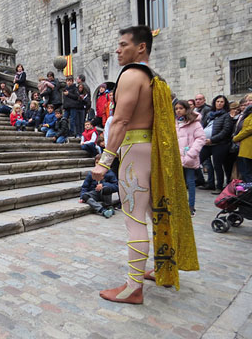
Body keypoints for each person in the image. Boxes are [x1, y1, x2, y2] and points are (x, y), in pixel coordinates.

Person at [91, 25, 199, 304]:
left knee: (134, 218)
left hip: (134, 151)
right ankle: (163, 267)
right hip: (153, 152)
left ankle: (132, 287)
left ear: (141, 47)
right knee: (155, 211)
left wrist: (105, 160)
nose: (117, 49)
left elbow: (122, 121)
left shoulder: (131, 75)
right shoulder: (156, 79)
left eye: (123, 44)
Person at [175, 100, 206, 216]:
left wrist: (191, 154)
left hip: (189, 157)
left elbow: (200, 138)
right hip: (178, 157)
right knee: (179, 182)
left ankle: (191, 206)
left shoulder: (194, 123)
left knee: (190, 182)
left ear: (186, 109)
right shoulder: (175, 123)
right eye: (176, 108)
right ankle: (180, 204)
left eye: (181, 108)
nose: (178, 111)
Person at [199, 95, 233, 194]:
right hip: (206, 143)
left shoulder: (226, 115)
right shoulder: (210, 114)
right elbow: (202, 126)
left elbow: (225, 131)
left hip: (219, 144)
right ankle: (209, 183)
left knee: (217, 165)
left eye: (222, 102)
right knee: (198, 160)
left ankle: (219, 186)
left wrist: (212, 139)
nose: (219, 103)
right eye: (217, 101)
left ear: (224, 104)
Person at [233, 94, 252, 182]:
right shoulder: (248, 113)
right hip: (244, 147)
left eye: (250, 100)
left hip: (249, 147)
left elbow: (249, 129)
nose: (248, 102)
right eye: (247, 100)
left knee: (248, 173)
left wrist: (236, 138)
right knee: (245, 172)